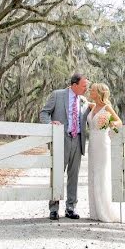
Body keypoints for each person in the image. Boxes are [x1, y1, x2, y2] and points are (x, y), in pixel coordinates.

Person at [40, 73, 89, 220]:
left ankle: (70, 208)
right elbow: (44, 113)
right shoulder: (58, 95)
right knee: (57, 174)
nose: (86, 88)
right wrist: (50, 124)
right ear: (74, 85)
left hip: (78, 140)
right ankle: (54, 208)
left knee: (73, 176)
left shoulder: (84, 100)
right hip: (61, 140)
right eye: (84, 86)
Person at [86, 82, 122, 222]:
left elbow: (119, 122)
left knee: (102, 174)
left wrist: (112, 124)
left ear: (99, 93)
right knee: (93, 173)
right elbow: (81, 100)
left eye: (93, 90)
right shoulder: (93, 106)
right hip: (92, 144)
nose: (90, 91)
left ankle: (105, 211)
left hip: (102, 143)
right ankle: (95, 212)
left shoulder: (107, 107)